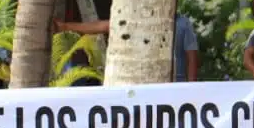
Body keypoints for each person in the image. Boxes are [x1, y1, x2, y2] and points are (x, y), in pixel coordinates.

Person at [55, 12, 200, 82]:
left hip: (176, 83)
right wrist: (66, 26)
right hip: (144, 80)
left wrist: (190, 88)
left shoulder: (183, 23)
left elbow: (191, 57)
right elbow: (103, 25)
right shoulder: (140, 19)